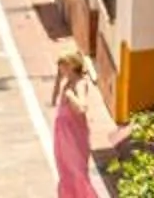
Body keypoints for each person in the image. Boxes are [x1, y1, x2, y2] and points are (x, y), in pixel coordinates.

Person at [49, 41, 102, 198]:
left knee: (76, 172)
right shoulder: (68, 82)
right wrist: (58, 81)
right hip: (63, 137)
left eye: (63, 65)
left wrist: (71, 96)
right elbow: (53, 101)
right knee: (65, 171)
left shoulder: (79, 84)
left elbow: (82, 108)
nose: (61, 69)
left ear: (72, 65)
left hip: (73, 137)